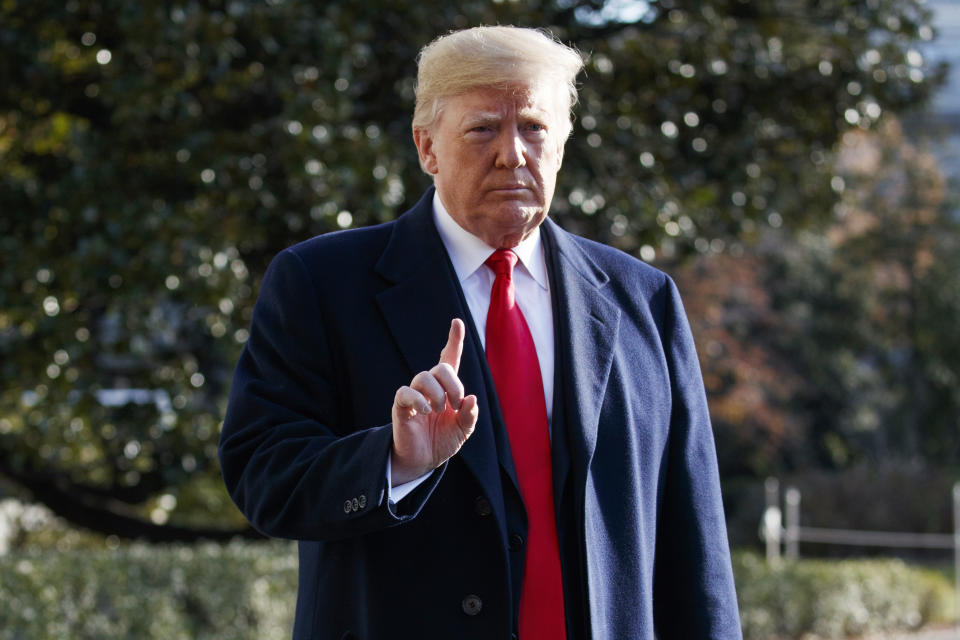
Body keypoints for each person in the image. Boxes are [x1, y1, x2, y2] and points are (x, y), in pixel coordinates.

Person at [219, 25, 742, 640]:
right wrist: (392, 462)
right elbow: (262, 473)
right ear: (427, 148)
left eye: (534, 128)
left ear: (562, 144)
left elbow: (694, 538)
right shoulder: (321, 283)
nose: (512, 153)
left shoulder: (643, 299)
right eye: (483, 129)